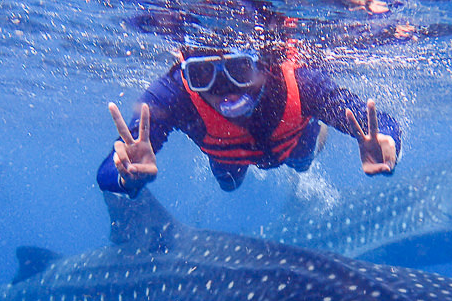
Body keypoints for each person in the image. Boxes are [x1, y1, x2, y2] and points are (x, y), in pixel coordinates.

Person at [97, 46, 401, 196]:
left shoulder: (303, 84)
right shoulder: (173, 93)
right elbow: (109, 170)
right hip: (226, 153)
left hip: (292, 140)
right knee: (229, 186)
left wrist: (388, 141)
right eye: (203, 75)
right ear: (187, 76)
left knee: (302, 163)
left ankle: (316, 126)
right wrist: (127, 177)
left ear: (266, 64)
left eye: (239, 71)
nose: (224, 89)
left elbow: (379, 121)